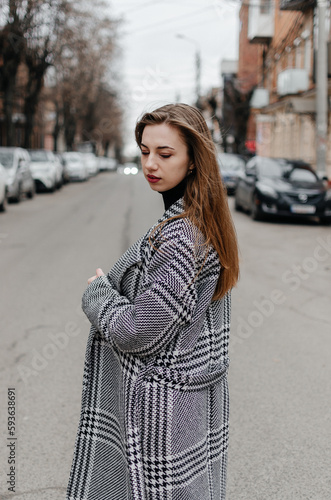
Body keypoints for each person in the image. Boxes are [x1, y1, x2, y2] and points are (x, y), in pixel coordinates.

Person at [66, 103, 239, 500]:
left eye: (165, 154)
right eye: (145, 151)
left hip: (162, 412)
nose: (150, 164)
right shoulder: (200, 221)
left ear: (194, 160)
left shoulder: (180, 238)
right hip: (186, 403)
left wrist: (98, 293)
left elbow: (136, 331)